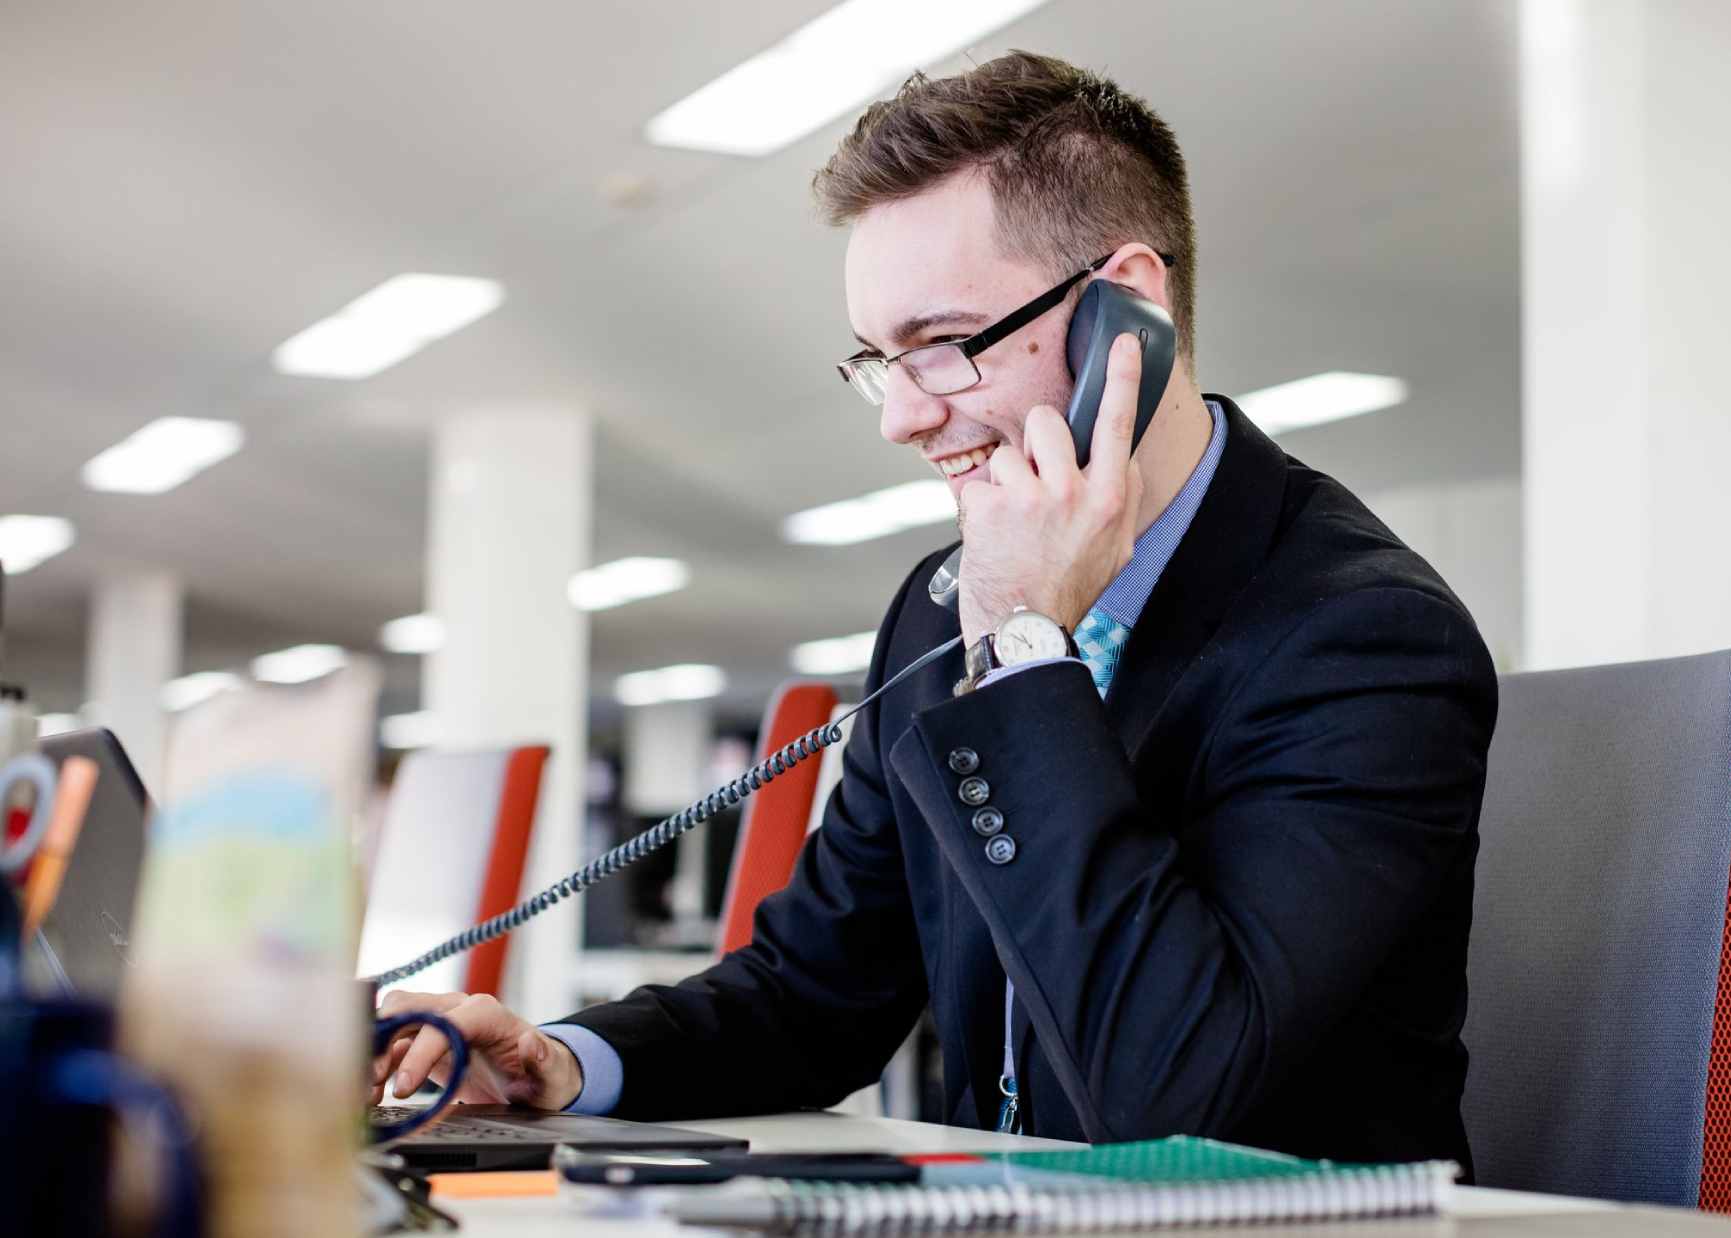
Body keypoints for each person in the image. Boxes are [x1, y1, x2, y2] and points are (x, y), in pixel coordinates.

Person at [374, 50, 1497, 1167]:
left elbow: (1168, 1088)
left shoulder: (1360, 636)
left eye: (943, 346)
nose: (900, 419)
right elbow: (814, 989)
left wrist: (1023, 653)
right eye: (878, 359)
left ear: (1128, 311)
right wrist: (562, 1060)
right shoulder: (936, 608)